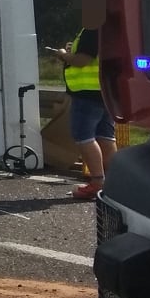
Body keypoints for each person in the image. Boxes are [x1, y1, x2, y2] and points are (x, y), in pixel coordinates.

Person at [50, 26, 117, 200]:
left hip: (87, 92)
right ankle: (113, 182)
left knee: (83, 136)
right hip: (106, 91)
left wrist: (64, 55)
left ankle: (97, 183)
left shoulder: (92, 28)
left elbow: (82, 60)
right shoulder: (114, 25)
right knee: (106, 136)